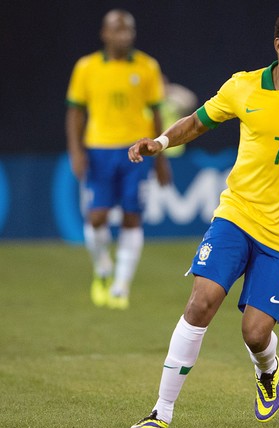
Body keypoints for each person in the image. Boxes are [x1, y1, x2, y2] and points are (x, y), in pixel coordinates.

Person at [127, 8, 279, 428]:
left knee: (254, 333)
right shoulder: (242, 86)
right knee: (201, 301)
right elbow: (198, 122)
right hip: (237, 214)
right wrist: (161, 141)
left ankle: (267, 369)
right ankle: (160, 412)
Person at [66, 9, 171, 310]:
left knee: (131, 216)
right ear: (105, 34)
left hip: (135, 151)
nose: (123, 35)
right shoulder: (86, 67)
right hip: (99, 149)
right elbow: (75, 112)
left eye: (128, 30)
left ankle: (120, 287)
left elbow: (156, 113)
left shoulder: (147, 66)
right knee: (97, 216)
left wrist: (161, 158)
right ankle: (102, 270)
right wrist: (76, 151)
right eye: (117, 29)